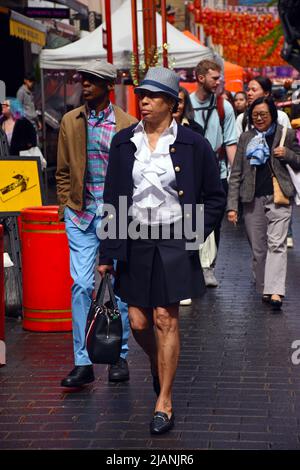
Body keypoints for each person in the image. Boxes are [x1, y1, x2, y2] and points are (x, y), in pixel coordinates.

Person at [97, 67, 226, 435]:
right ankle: (158, 363)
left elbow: (214, 198)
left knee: (165, 319)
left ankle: (164, 401)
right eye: (142, 96)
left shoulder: (193, 143)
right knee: (138, 322)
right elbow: (113, 200)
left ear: (171, 103)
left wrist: (194, 235)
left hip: (173, 237)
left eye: (153, 96)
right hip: (134, 237)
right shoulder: (124, 142)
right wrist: (107, 254)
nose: (145, 101)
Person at [56, 59, 137, 388]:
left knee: (118, 289)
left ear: (108, 85)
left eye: (91, 81)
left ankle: (118, 355)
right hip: (80, 214)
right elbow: (62, 170)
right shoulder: (70, 121)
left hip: (115, 215)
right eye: (82, 80)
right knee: (81, 286)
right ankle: (83, 361)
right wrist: (66, 206)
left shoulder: (128, 125)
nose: (84, 85)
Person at [227, 97, 300, 310]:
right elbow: (236, 173)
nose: (259, 118)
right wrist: (232, 206)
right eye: (255, 115)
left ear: (273, 115)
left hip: (279, 195)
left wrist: (287, 154)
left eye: (264, 115)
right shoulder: (245, 138)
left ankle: (275, 291)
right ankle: (264, 287)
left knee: (277, 244)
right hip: (252, 199)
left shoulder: (284, 134)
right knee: (259, 249)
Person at [190, 59, 237, 287]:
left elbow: (230, 142)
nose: (219, 82)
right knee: (191, 218)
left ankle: (209, 266)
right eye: (215, 78)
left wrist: (235, 175)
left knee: (213, 221)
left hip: (217, 173)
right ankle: (193, 263)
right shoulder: (185, 104)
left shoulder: (223, 107)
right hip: (190, 173)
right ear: (201, 78)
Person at [173, 86, 203, 306]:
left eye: (181, 101)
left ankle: (184, 284)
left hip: (190, 196)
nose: (177, 105)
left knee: (189, 243)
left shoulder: (195, 131)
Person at [16, 73, 41, 138]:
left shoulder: (31, 92)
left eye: (33, 81)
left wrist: (38, 121)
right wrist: (19, 124)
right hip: (26, 122)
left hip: (33, 121)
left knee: (36, 143)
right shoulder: (21, 92)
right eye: (30, 80)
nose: (32, 83)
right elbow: (18, 108)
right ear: (25, 80)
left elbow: (33, 108)